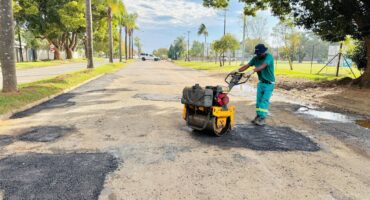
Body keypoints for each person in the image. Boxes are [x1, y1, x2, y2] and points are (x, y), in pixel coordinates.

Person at [237, 44, 275, 126]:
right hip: (261, 83)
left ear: (264, 52)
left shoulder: (269, 57)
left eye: (260, 53)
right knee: (258, 102)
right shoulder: (255, 58)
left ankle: (262, 118)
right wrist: (237, 71)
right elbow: (246, 66)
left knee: (264, 101)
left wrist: (252, 71)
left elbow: (263, 66)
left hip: (269, 84)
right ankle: (258, 116)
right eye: (257, 53)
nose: (259, 55)